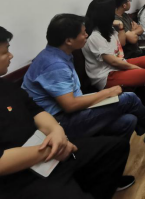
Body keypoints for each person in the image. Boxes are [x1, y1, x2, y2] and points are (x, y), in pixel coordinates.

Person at [0, 26, 134, 198]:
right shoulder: (52, 63)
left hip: (47, 147)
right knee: (128, 103)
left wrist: (56, 131)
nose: (11, 56)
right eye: (5, 52)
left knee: (116, 147)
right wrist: (53, 150)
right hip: (18, 175)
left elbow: (36, 111)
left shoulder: (7, 87)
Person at [22, 14, 145, 143]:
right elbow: (70, 105)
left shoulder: (56, 54)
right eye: (83, 33)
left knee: (128, 121)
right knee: (129, 99)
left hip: (70, 111)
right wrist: (107, 92)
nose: (87, 35)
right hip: (57, 121)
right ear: (68, 41)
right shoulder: (55, 65)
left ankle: (110, 153)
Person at [83, 0, 145, 90]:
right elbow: (113, 62)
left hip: (118, 65)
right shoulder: (95, 37)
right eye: (113, 11)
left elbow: (122, 43)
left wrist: (121, 26)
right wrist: (135, 68)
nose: (114, 14)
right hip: (107, 75)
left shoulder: (108, 29)